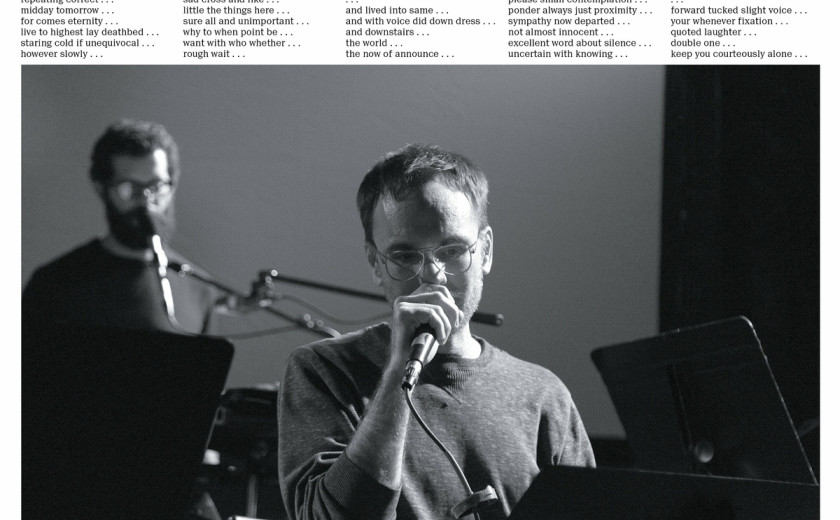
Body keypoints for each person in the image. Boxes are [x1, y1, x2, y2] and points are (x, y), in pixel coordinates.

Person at [277, 144, 595, 520]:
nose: (433, 275)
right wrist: (398, 372)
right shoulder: (323, 370)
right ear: (375, 262)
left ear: (486, 251)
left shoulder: (543, 395)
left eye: (452, 250)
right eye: (404, 256)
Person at [22, 118, 219, 335]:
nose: (146, 203)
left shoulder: (200, 289)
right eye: (129, 188)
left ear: (172, 186)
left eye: (157, 187)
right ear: (101, 189)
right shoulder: (53, 285)